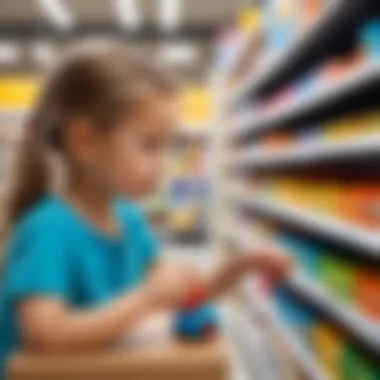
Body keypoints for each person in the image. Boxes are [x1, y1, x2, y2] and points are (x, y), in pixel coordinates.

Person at [0, 40, 292, 379]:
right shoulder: (48, 229)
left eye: (168, 146)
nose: (163, 164)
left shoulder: (128, 220)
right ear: (85, 141)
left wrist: (241, 266)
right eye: (150, 145)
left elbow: (183, 295)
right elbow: (45, 337)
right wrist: (146, 300)